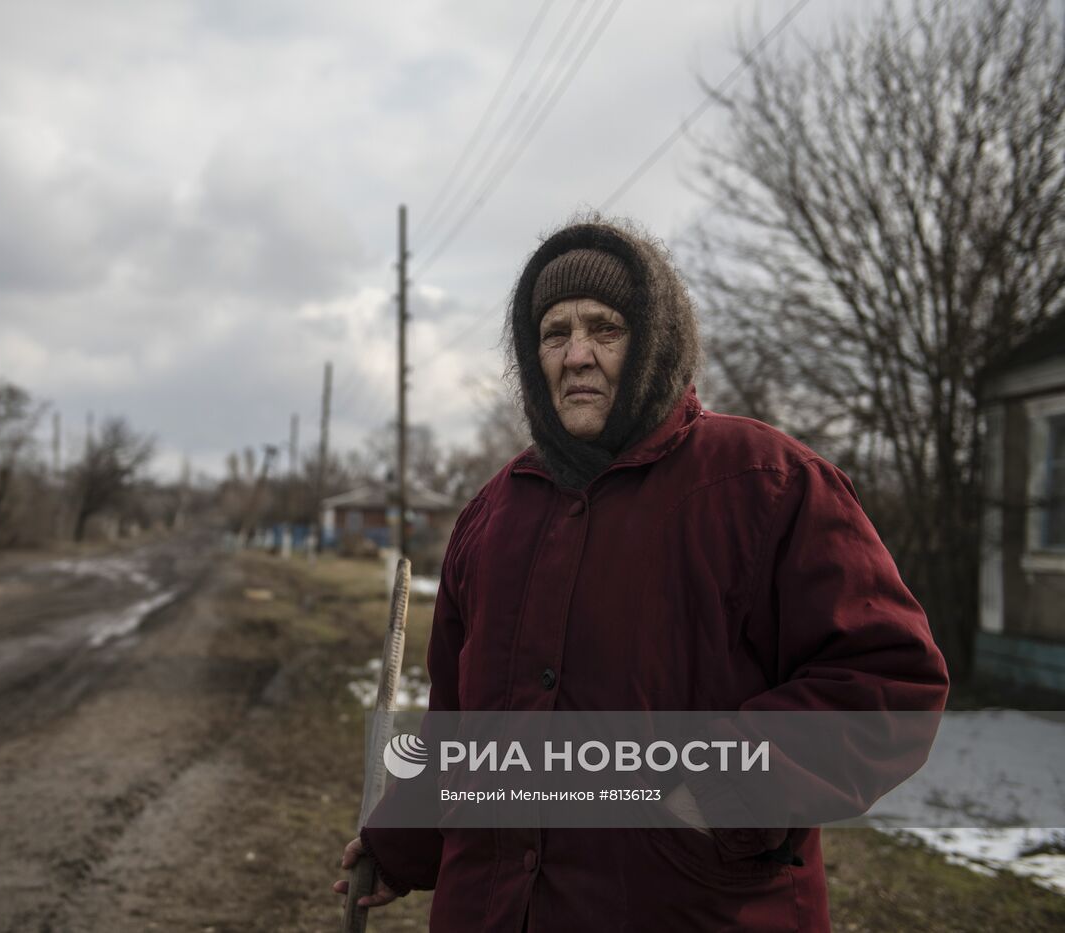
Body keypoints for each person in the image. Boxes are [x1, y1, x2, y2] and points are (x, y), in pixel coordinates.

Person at [331, 215, 950, 931]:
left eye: (605, 327)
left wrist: (723, 786)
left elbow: (889, 681)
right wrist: (399, 843)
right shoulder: (492, 516)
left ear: (654, 342)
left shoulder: (766, 485)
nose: (578, 354)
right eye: (554, 333)